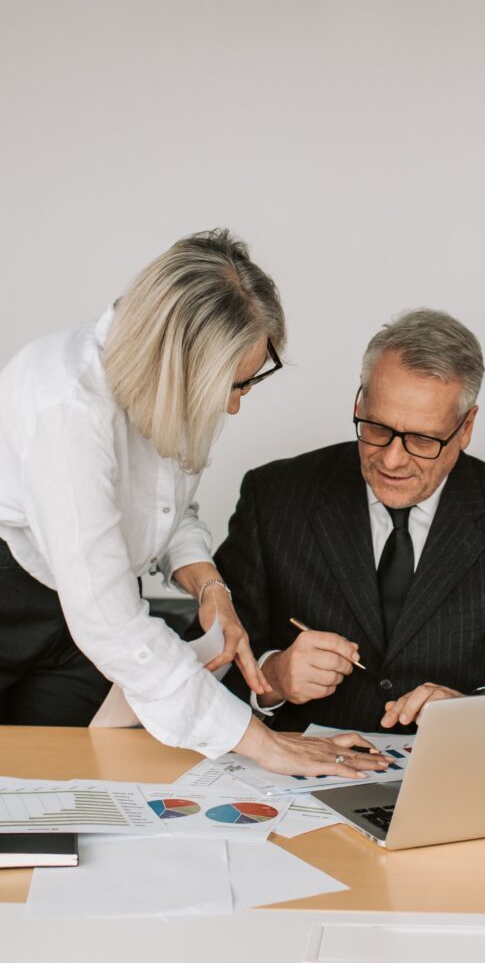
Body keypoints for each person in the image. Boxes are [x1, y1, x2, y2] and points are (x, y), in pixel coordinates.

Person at [0, 230, 390, 780]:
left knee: (64, 784)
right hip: (16, 590)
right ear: (177, 367)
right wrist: (265, 743)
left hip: (77, 620)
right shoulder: (68, 409)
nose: (233, 407)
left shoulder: (165, 391)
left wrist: (211, 586)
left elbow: (163, 510)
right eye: (233, 385)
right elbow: (109, 622)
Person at [217, 308, 485, 733]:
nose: (393, 459)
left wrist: (477, 710)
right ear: (359, 403)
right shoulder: (274, 496)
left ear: (466, 427)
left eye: (422, 440)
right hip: (297, 774)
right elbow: (201, 659)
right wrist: (272, 677)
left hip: (453, 777)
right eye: (377, 429)